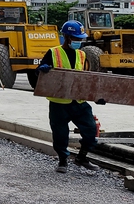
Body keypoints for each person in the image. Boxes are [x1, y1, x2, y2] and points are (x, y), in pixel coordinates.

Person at [36, 20, 104, 174]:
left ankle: (82, 158)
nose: (79, 42)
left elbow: (86, 79)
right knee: (60, 134)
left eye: (80, 39)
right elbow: (38, 73)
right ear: (66, 37)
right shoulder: (53, 52)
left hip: (78, 102)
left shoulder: (82, 54)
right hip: (59, 103)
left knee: (91, 131)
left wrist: (96, 96)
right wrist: (42, 69)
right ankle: (63, 160)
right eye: (76, 38)